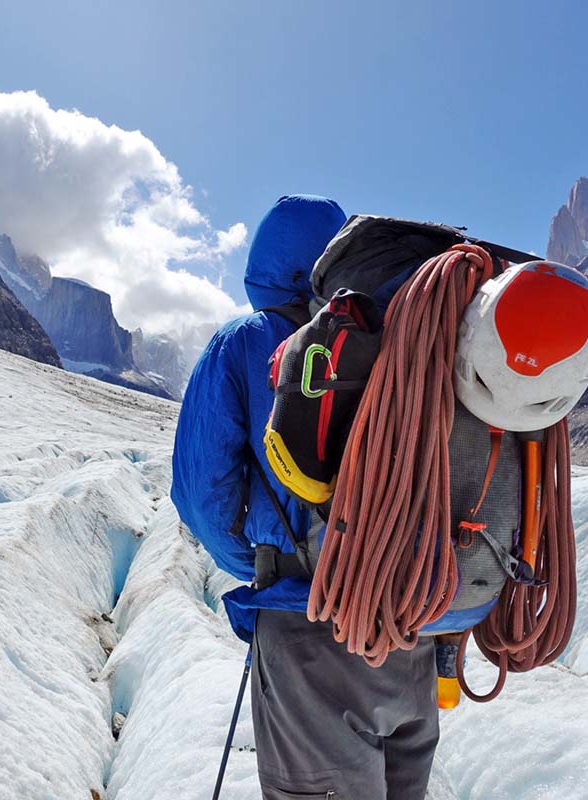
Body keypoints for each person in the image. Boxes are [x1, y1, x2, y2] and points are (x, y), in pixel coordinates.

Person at [172, 195, 438, 799]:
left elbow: (200, 496)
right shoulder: (405, 340)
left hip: (308, 626)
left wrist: (269, 567)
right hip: (409, 633)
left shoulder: (245, 342)